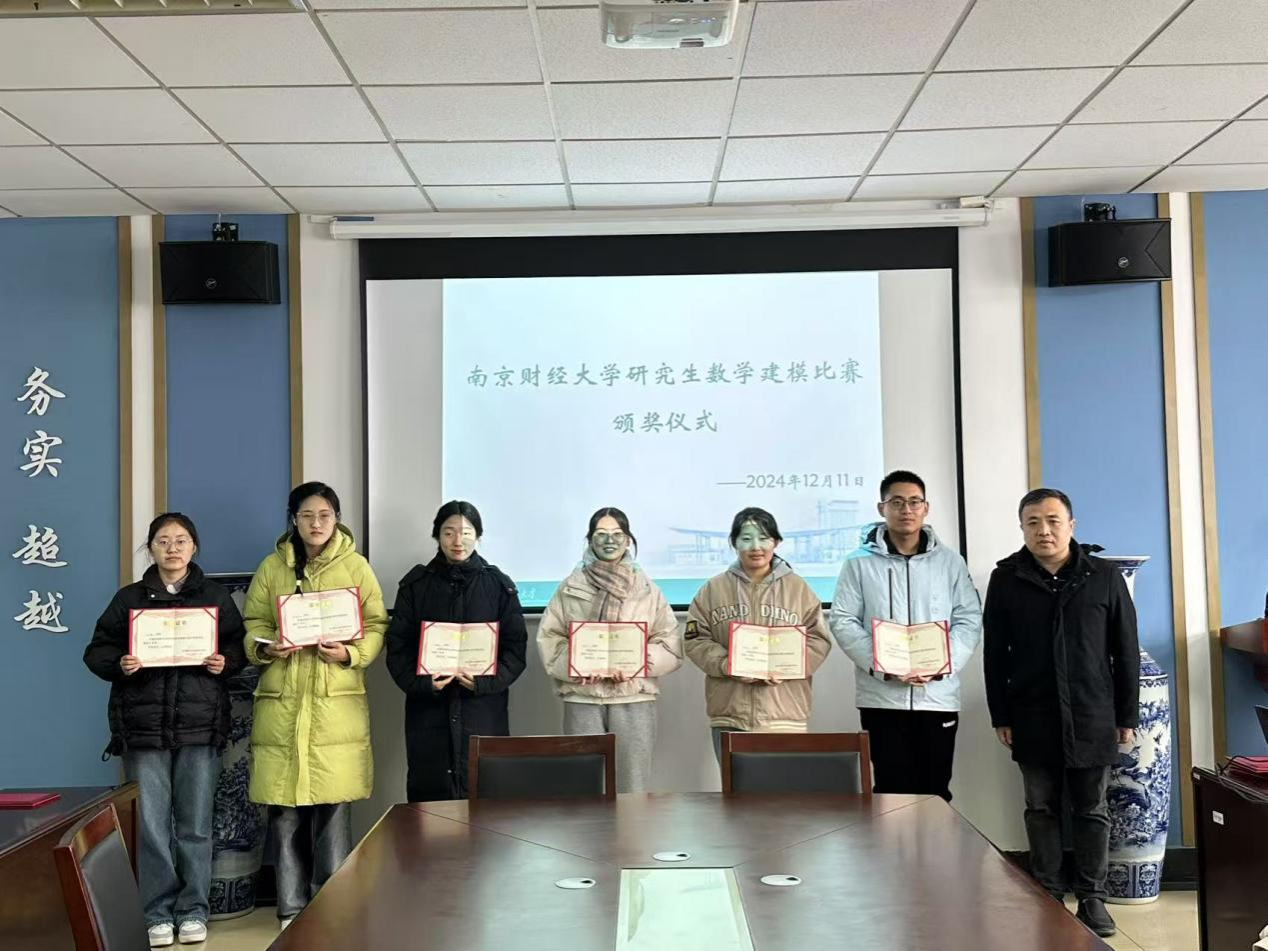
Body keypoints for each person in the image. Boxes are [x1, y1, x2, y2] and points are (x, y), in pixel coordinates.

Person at [84, 513, 247, 948]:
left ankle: (193, 909)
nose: (172, 548)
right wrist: (120, 663)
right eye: (163, 541)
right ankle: (156, 911)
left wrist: (225, 662)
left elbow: (238, 646)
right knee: (151, 826)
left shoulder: (214, 597)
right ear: (151, 548)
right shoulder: (129, 598)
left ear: (194, 547)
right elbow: (96, 651)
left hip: (200, 726)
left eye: (181, 540)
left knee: (195, 825)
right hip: (143, 729)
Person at [983, 487, 1139, 939]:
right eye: (1033, 522)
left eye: (1053, 521)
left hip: (1093, 711)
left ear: (1071, 525)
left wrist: (1126, 715)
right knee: (1040, 807)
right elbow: (995, 654)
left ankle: (1092, 897)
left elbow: (1125, 650)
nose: (1044, 530)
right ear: (1022, 528)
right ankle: (1048, 893)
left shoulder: (1103, 577)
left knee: (1092, 808)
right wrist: (1000, 714)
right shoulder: (1006, 578)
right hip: (1031, 711)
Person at [242, 482, 386, 928]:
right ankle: (290, 909)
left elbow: (376, 623)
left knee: (333, 812)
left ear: (336, 518)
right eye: (307, 515)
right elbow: (253, 622)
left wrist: (350, 654)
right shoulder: (272, 567)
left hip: (333, 706)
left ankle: (334, 907)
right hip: (282, 703)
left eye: (325, 515)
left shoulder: (356, 566)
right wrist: (267, 647)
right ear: (294, 520)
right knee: (284, 814)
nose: (316, 523)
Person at [828, 470, 981, 802]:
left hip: (937, 696)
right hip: (881, 698)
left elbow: (968, 619)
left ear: (926, 508)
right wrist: (881, 665)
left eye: (914, 502)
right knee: (889, 792)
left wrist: (943, 665)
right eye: (896, 502)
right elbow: (842, 619)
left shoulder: (950, 562)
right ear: (882, 508)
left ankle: (935, 842)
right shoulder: (858, 564)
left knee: (935, 792)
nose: (906, 510)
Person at [385, 500, 528, 802]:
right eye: (448, 532)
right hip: (429, 711)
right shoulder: (415, 585)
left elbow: (515, 649)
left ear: (478, 535)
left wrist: (485, 682)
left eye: (466, 532)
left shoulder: (499, 586)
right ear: (437, 535)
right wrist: (423, 683)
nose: (457, 540)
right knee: (430, 807)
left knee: (487, 801)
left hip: (483, 710)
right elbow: (398, 647)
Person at [536, 507, 682, 792]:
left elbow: (670, 643)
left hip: (634, 697)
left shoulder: (648, 589)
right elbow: (550, 637)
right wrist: (576, 667)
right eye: (601, 534)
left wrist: (637, 663)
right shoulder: (569, 587)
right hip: (583, 698)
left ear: (628, 539)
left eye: (617, 534)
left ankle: (631, 825)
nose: (609, 540)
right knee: (583, 784)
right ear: (590, 539)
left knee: (632, 785)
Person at [684, 507, 832, 760]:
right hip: (730, 714)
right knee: (733, 785)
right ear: (734, 543)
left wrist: (788, 667)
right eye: (746, 538)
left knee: (782, 785)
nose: (756, 547)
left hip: (784, 714)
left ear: (776, 542)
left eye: (764, 538)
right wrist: (727, 664)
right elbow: (695, 639)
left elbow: (818, 639)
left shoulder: (799, 589)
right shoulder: (713, 589)